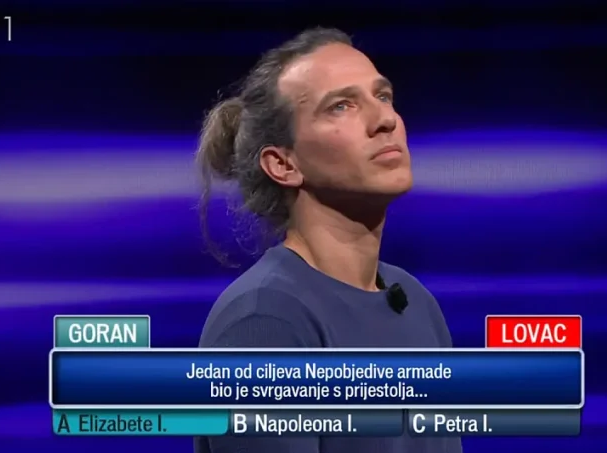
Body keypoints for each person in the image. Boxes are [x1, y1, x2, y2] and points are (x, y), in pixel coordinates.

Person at [194, 28, 461, 453]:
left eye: (383, 96)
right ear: (283, 164)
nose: (385, 120)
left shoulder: (416, 301)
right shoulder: (264, 322)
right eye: (341, 106)